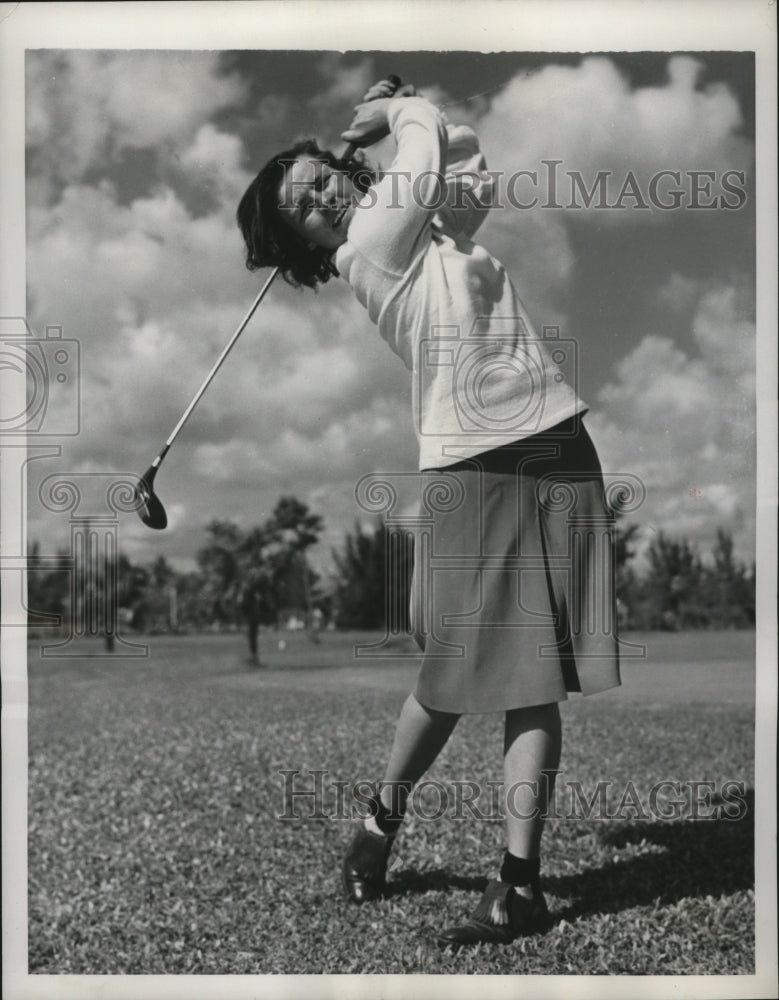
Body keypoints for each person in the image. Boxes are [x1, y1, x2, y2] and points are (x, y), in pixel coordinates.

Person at [237, 78, 621, 949]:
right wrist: (395, 113)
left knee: (536, 679)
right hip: (477, 459)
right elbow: (417, 153)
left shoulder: (427, 232)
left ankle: (517, 886)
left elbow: (465, 168)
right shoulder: (372, 244)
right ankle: (380, 821)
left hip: (555, 441)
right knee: (449, 679)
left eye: (323, 175)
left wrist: (422, 109)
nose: (324, 193)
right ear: (300, 242)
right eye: (303, 203)